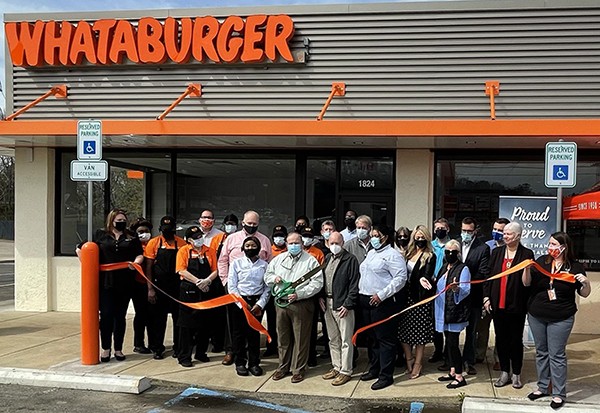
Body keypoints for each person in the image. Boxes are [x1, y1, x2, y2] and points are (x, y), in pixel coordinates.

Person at [523, 231, 591, 409]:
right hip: (537, 314)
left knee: (557, 355)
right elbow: (526, 283)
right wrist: (526, 270)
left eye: (554, 244)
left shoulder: (575, 267)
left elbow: (584, 293)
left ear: (564, 247)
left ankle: (559, 393)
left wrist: (586, 283)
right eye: (550, 244)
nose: (550, 247)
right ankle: (543, 387)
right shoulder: (541, 261)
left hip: (561, 317)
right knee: (541, 352)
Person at [76, 209, 144, 362]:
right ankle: (106, 348)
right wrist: (86, 265)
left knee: (120, 317)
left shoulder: (131, 237)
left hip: (125, 282)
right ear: (111, 220)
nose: (121, 222)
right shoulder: (100, 235)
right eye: (118, 220)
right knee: (106, 316)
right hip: (106, 283)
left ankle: (118, 349)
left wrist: (136, 263)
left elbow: (139, 254)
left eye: (123, 220)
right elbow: (81, 249)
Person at [265, 232, 323, 384]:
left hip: (301, 304)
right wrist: (274, 279)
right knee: (283, 337)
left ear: (302, 244)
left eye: (296, 243)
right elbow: (267, 275)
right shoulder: (278, 259)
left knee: (301, 338)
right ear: (286, 244)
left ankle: (298, 369)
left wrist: (300, 293)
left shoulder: (310, 261)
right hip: (281, 303)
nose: (293, 245)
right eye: (290, 243)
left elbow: (317, 283)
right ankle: (282, 367)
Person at [483, 221, 534, 389]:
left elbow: (527, 284)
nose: (504, 236)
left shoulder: (526, 254)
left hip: (516, 306)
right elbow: (488, 277)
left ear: (518, 236)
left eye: (508, 234)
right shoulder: (497, 253)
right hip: (498, 304)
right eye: (504, 233)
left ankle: (517, 373)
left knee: (515, 341)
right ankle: (504, 372)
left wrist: (526, 269)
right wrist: (486, 298)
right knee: (501, 339)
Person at [218, 210, 272, 365]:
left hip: (257, 295)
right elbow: (222, 260)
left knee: (253, 331)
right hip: (235, 291)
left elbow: (270, 263)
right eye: (249, 224)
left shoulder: (265, 240)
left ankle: (253, 360)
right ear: (243, 223)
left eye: (255, 224)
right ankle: (232, 353)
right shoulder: (232, 239)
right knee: (235, 328)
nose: (252, 226)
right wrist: (226, 283)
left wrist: (261, 302)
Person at [358, 224, 407, 390]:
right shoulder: (371, 252)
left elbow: (400, 278)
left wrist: (382, 294)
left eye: (375, 235)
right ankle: (374, 368)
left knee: (385, 340)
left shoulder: (393, 255)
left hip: (382, 303)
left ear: (384, 237)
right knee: (372, 339)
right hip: (365, 301)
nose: (372, 238)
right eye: (371, 235)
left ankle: (386, 376)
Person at [175, 226, 220, 367]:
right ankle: (184, 356)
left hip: (207, 289)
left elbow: (216, 269)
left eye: (200, 236)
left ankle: (201, 353)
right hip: (189, 290)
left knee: (205, 323)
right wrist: (197, 281)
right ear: (189, 240)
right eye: (196, 238)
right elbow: (181, 270)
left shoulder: (210, 251)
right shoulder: (183, 251)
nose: (199, 239)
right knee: (186, 325)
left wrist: (207, 281)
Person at [319, 231, 360, 386]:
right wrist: (321, 297)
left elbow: (354, 284)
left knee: (346, 340)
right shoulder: (327, 258)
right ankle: (336, 366)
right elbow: (322, 280)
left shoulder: (350, 260)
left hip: (343, 306)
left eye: (337, 243)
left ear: (343, 243)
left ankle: (346, 371)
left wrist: (348, 304)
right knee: (333, 338)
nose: (334, 246)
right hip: (328, 303)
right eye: (332, 243)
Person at [144, 216, 187, 360]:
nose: (167, 231)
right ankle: (157, 348)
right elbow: (148, 267)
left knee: (178, 319)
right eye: (164, 228)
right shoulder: (153, 243)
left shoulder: (182, 244)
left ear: (175, 228)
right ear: (160, 229)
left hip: (177, 287)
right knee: (158, 319)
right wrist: (150, 289)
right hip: (158, 287)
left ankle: (178, 347)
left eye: (170, 228)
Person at [228, 236, 270, 377]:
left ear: (258, 248)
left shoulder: (264, 265)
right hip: (239, 302)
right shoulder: (236, 263)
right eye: (247, 246)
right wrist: (241, 303)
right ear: (243, 248)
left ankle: (254, 363)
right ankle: (240, 362)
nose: (250, 248)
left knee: (254, 334)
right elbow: (232, 285)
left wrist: (260, 304)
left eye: (253, 246)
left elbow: (267, 288)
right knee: (239, 334)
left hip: (257, 303)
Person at [399, 225, 436, 379]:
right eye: (417, 237)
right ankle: (409, 358)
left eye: (423, 237)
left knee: (419, 334)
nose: (420, 240)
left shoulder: (430, 255)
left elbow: (427, 274)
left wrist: (424, 279)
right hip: (405, 296)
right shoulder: (408, 252)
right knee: (403, 332)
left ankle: (418, 363)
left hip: (419, 298)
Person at [435, 239, 471, 389]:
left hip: (455, 312)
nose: (450, 254)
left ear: (458, 253)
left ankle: (459, 375)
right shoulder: (444, 267)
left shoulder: (463, 269)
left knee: (453, 344)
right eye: (447, 251)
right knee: (448, 343)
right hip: (442, 311)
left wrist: (457, 290)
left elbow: (466, 290)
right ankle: (451, 370)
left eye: (453, 252)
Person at [457, 217, 490, 376]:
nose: (466, 234)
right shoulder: (455, 244)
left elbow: (483, 272)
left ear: (475, 231)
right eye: (464, 231)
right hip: (455, 296)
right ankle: (452, 361)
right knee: (452, 331)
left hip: (473, 295)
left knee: (471, 331)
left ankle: (468, 362)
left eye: (469, 231)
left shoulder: (482, 248)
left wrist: (464, 279)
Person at [477, 217, 510, 370]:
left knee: (501, 330)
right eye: (495, 229)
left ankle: (499, 358)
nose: (497, 232)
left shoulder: (512, 250)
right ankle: (479, 355)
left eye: (500, 230)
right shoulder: (486, 247)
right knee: (482, 328)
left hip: (503, 295)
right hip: (486, 292)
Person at [129, 217, 153, 354]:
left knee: (151, 316)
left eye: (146, 231)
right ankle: (139, 343)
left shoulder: (153, 244)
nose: (144, 233)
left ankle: (153, 343)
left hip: (151, 285)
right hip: (137, 285)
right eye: (140, 231)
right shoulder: (132, 246)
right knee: (141, 315)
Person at [430, 217, 451, 364]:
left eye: (442, 228)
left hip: (447, 287)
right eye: (437, 228)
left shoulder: (453, 245)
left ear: (448, 229)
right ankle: (438, 350)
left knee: (447, 321)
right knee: (434, 321)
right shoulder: (430, 246)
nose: (439, 231)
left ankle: (447, 352)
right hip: (431, 287)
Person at [264, 224, 288, 357]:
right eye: (276, 236)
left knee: (283, 322)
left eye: (281, 236)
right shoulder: (269, 251)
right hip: (271, 290)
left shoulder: (290, 250)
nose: (279, 239)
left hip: (285, 291)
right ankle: (271, 346)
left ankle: (283, 347)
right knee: (272, 320)